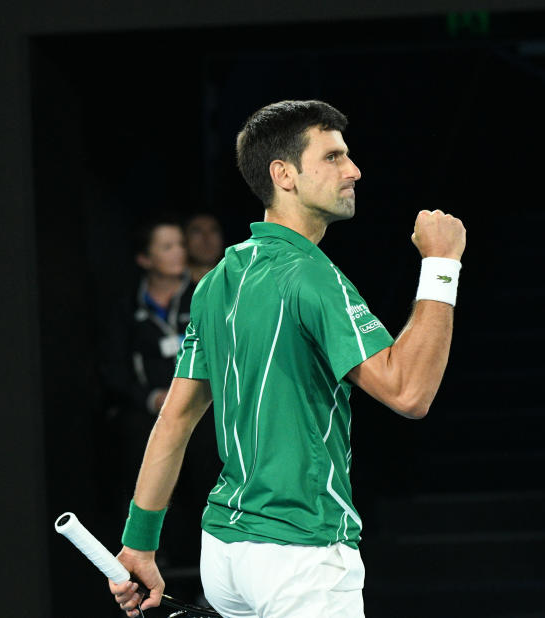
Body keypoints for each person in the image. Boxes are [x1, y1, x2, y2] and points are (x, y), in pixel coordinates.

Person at [108, 100, 466, 617]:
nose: (354, 170)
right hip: (301, 554)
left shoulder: (216, 282)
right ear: (284, 174)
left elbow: (175, 419)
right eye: (333, 157)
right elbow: (410, 392)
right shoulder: (313, 277)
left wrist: (139, 544)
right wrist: (441, 264)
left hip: (227, 554)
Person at [100, 215, 218, 567]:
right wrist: (150, 398)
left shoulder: (205, 295)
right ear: (144, 259)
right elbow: (113, 370)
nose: (180, 252)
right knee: (137, 445)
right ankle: (152, 559)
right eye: (167, 247)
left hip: (204, 414)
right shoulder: (126, 309)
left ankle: (207, 572)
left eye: (180, 244)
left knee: (208, 466)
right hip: (148, 418)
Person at [183, 212, 225, 284]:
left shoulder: (240, 282)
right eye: (197, 232)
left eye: (213, 231)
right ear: (184, 239)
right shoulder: (172, 285)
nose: (206, 239)